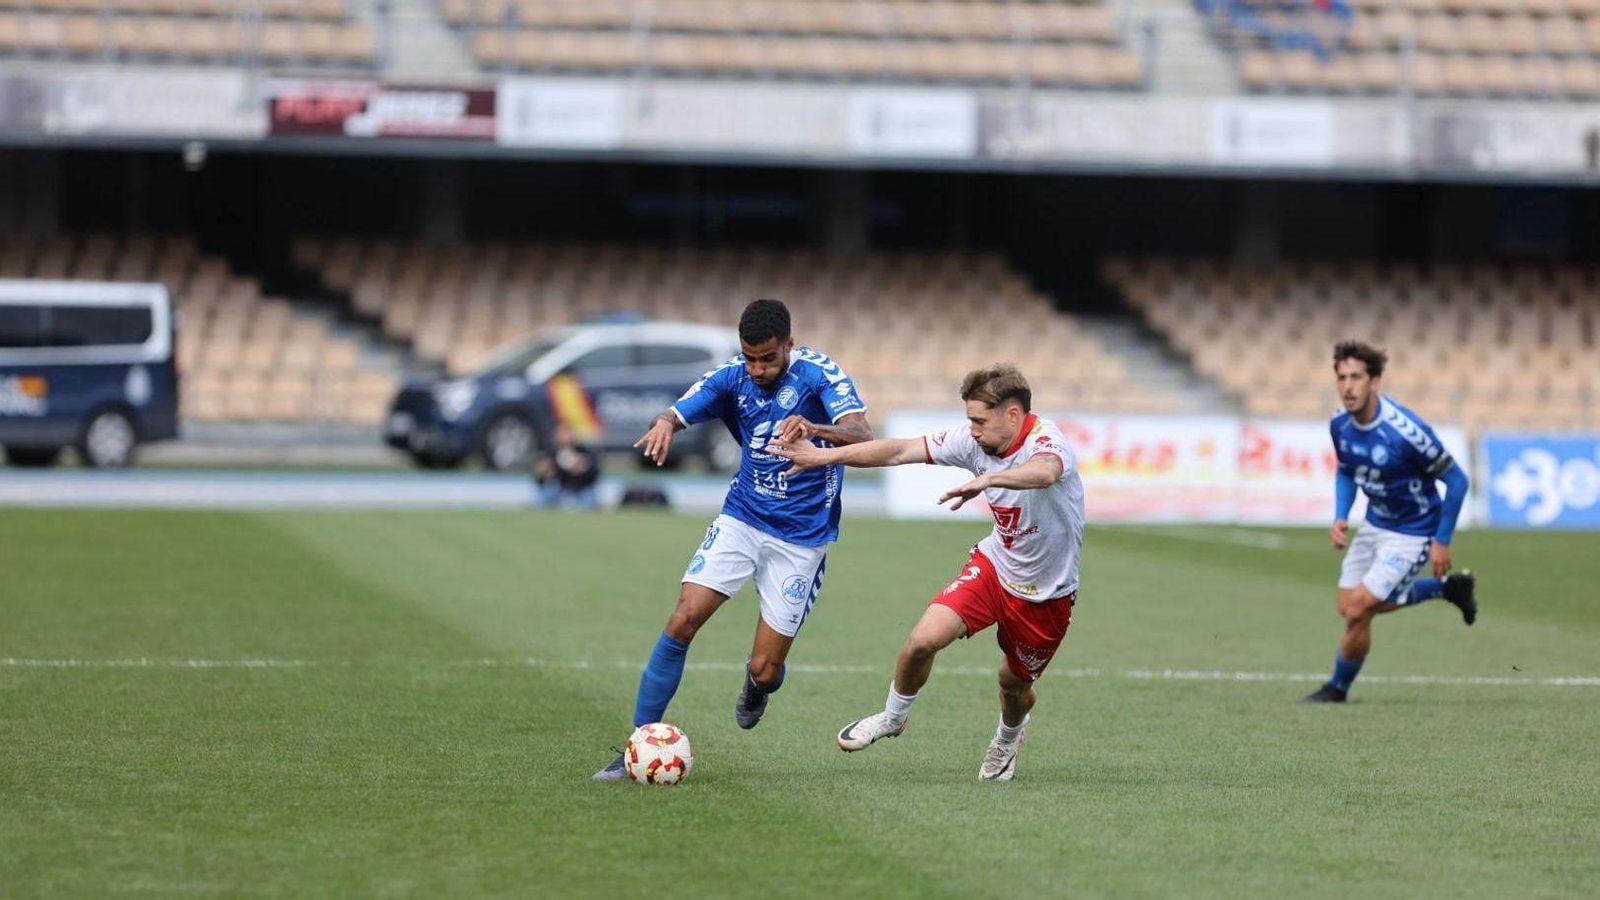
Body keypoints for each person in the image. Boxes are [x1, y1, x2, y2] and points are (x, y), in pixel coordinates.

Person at [592, 298, 873, 781]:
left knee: (766, 669)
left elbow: (860, 433)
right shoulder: (731, 376)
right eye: (750, 358)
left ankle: (757, 683)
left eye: (768, 358)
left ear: (789, 344)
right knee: (683, 618)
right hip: (742, 517)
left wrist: (814, 428)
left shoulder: (819, 373)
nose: (759, 369)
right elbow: (678, 411)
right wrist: (664, 423)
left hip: (801, 539)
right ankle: (637, 744)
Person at [769, 364, 1083, 781]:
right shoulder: (973, 442)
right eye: (969, 420)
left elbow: (1045, 473)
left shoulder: (1047, 442)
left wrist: (989, 478)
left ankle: (1008, 738)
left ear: (1012, 415)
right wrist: (824, 455)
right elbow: (897, 450)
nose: (971, 430)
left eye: (979, 421)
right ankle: (893, 716)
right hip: (995, 565)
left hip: (1046, 593)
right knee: (921, 641)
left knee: (1013, 683)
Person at [1303, 340, 1477, 704]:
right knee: (1348, 605)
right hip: (1375, 523)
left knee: (1357, 611)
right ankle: (1445, 589)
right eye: (1341, 378)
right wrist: (1340, 514)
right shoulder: (1339, 424)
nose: (1348, 386)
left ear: (1375, 381)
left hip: (1413, 532)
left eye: (1356, 377)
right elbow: (1347, 470)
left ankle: (1337, 688)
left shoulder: (1407, 434)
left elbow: (1457, 481)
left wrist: (1441, 540)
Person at [532, 422, 600, 510]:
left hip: (579, 490)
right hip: (560, 490)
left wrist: (584, 470)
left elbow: (594, 475)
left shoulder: (583, 451)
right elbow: (539, 480)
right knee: (544, 494)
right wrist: (544, 473)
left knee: (589, 497)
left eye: (567, 433)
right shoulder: (552, 453)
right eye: (561, 433)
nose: (564, 436)